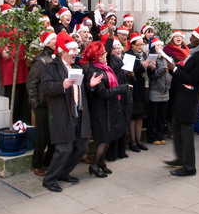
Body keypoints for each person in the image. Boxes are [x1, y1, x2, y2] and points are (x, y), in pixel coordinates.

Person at [41, 32, 102, 192]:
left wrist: (90, 84)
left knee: (81, 147)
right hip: (62, 114)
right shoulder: (50, 68)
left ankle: (64, 173)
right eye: (73, 51)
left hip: (79, 113)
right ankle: (50, 179)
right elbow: (45, 88)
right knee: (64, 148)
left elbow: (81, 88)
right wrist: (62, 85)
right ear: (63, 51)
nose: (76, 53)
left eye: (76, 50)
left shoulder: (77, 67)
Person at [166, 24, 199, 176]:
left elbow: (192, 79)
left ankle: (189, 167)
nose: (189, 39)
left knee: (186, 133)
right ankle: (180, 158)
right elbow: (185, 71)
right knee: (177, 128)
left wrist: (174, 69)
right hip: (181, 98)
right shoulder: (195, 52)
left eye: (192, 37)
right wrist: (175, 68)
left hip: (188, 99)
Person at [80, 41, 132, 177]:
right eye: (103, 53)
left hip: (110, 108)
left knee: (109, 138)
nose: (106, 54)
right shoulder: (95, 71)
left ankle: (101, 163)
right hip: (102, 110)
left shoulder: (103, 67)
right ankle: (95, 166)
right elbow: (103, 93)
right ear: (97, 56)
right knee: (104, 139)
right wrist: (122, 88)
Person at [0, 4, 30, 123]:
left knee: (21, 93)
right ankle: (12, 121)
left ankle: (20, 120)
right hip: (10, 64)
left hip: (21, 64)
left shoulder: (15, 26)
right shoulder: (0, 27)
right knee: (12, 93)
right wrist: (2, 50)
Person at [26, 31, 56, 176]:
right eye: (53, 39)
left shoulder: (53, 57)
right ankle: (36, 163)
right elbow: (31, 83)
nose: (56, 41)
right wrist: (35, 104)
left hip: (52, 103)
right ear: (47, 42)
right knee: (42, 136)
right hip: (42, 104)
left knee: (52, 135)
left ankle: (48, 160)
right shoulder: (40, 60)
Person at [105, 26, 133, 161]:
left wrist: (131, 74)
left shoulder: (124, 58)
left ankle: (122, 150)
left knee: (125, 122)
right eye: (115, 48)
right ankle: (113, 153)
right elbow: (113, 70)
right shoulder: (110, 60)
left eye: (119, 48)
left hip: (125, 94)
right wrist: (111, 34)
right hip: (116, 94)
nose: (118, 50)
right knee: (117, 125)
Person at [127, 32, 156, 152]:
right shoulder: (128, 55)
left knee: (141, 117)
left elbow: (147, 73)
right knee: (134, 117)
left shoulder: (144, 54)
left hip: (144, 87)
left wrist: (151, 69)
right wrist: (142, 66)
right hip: (134, 89)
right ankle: (132, 142)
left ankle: (139, 141)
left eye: (141, 45)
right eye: (138, 45)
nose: (140, 47)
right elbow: (129, 73)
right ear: (132, 45)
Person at [163, 31, 190, 138]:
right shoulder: (168, 49)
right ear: (172, 38)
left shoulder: (186, 49)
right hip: (174, 80)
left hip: (184, 80)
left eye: (180, 36)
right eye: (176, 37)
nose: (178, 38)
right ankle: (171, 130)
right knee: (172, 105)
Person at [147, 38, 171, 145]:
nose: (160, 48)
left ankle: (160, 135)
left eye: (161, 46)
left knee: (162, 115)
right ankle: (152, 136)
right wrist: (162, 70)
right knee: (153, 115)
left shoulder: (165, 58)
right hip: (156, 89)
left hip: (165, 90)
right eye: (158, 46)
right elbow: (152, 76)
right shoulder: (152, 58)